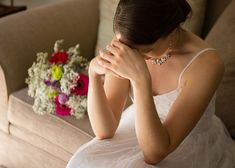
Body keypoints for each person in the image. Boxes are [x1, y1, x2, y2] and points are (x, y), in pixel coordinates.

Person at [66, 0, 235, 167]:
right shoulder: (129, 39)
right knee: (84, 161)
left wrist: (141, 81)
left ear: (170, 33)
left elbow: (154, 155)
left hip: (181, 145)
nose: (137, 57)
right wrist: (93, 74)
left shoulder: (207, 64)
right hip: (137, 126)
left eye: (146, 51)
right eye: (132, 50)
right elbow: (104, 131)